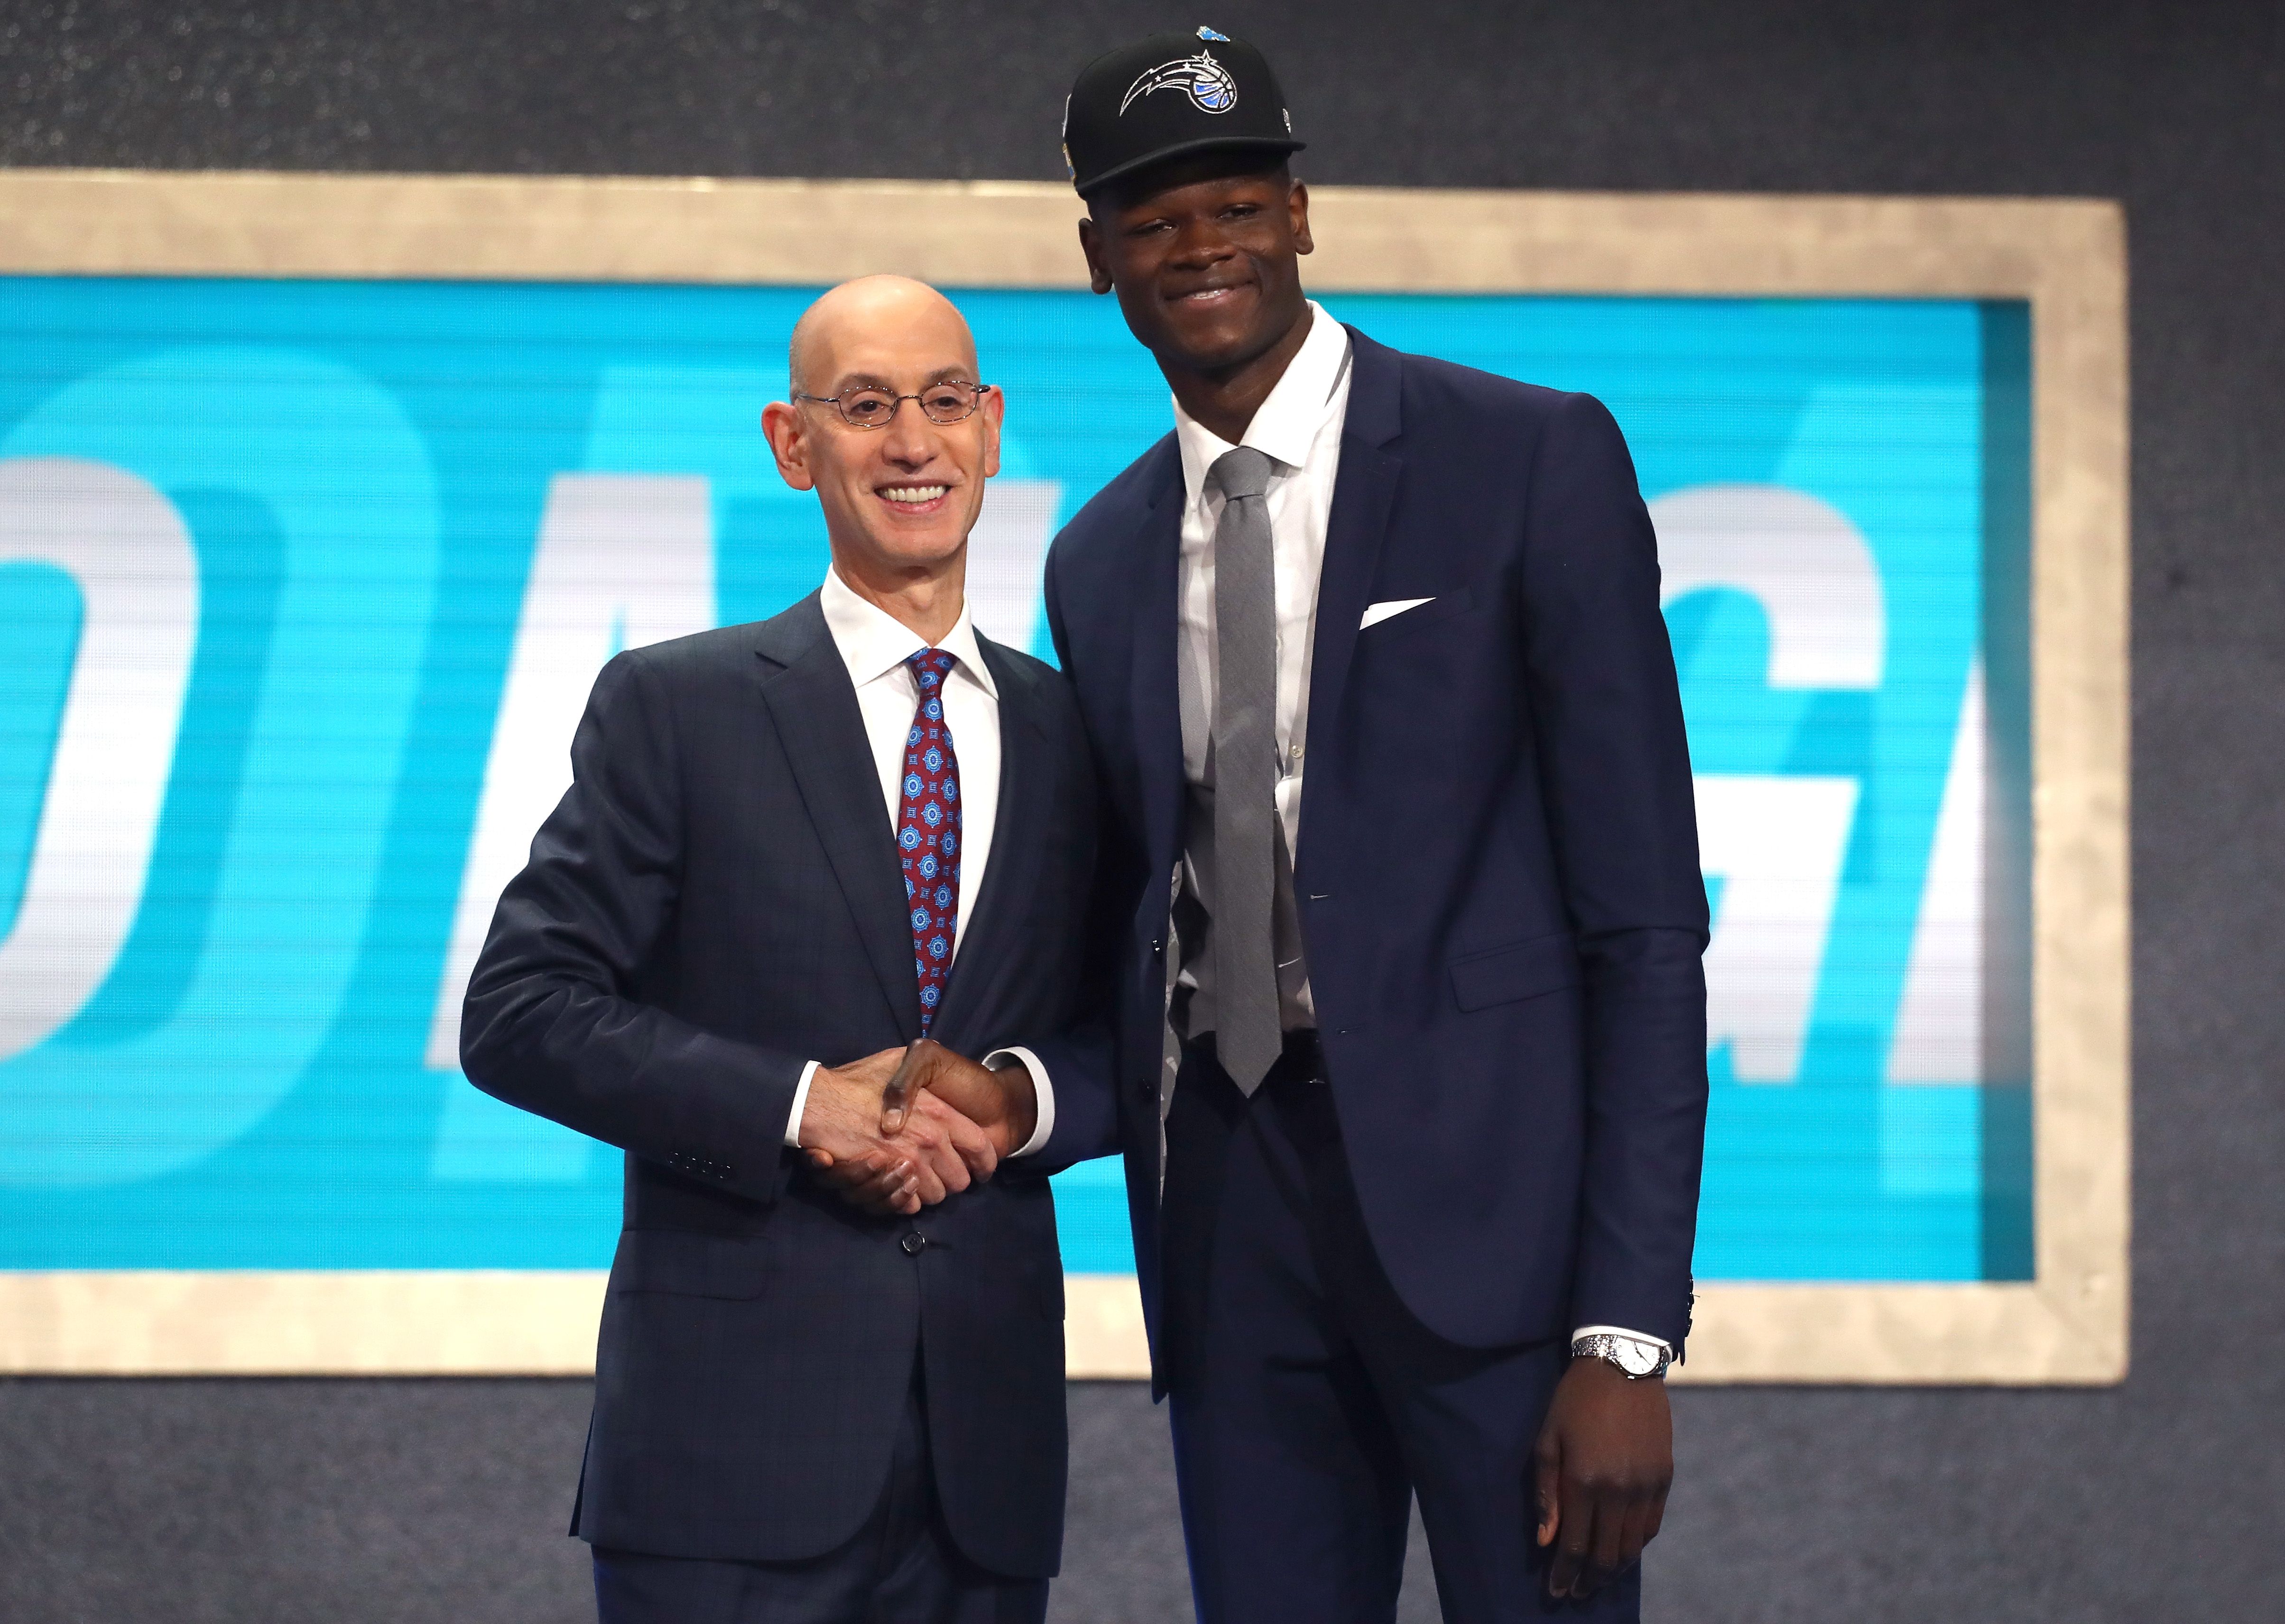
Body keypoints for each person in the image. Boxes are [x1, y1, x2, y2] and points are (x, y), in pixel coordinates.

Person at [895, 27, 1711, 1623]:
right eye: (1151, 220)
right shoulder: (1102, 554)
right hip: (1231, 1232)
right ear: (1096, 260)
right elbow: (1149, 918)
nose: (1199, 247)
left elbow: (1643, 925)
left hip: (1502, 1247)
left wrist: (1623, 1333)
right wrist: (1023, 1092)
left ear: (1300, 210)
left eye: (1233, 203)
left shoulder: (1527, 458)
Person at [457, 275, 1097, 1624]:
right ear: (791, 444)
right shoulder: (678, 707)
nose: (910, 443)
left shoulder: (1075, 734)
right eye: (864, 407)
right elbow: (519, 1011)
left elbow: (1139, 1033)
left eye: (939, 403)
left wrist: (1022, 1099)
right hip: (723, 1462)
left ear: (990, 428)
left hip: (985, 1466)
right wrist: (802, 1106)